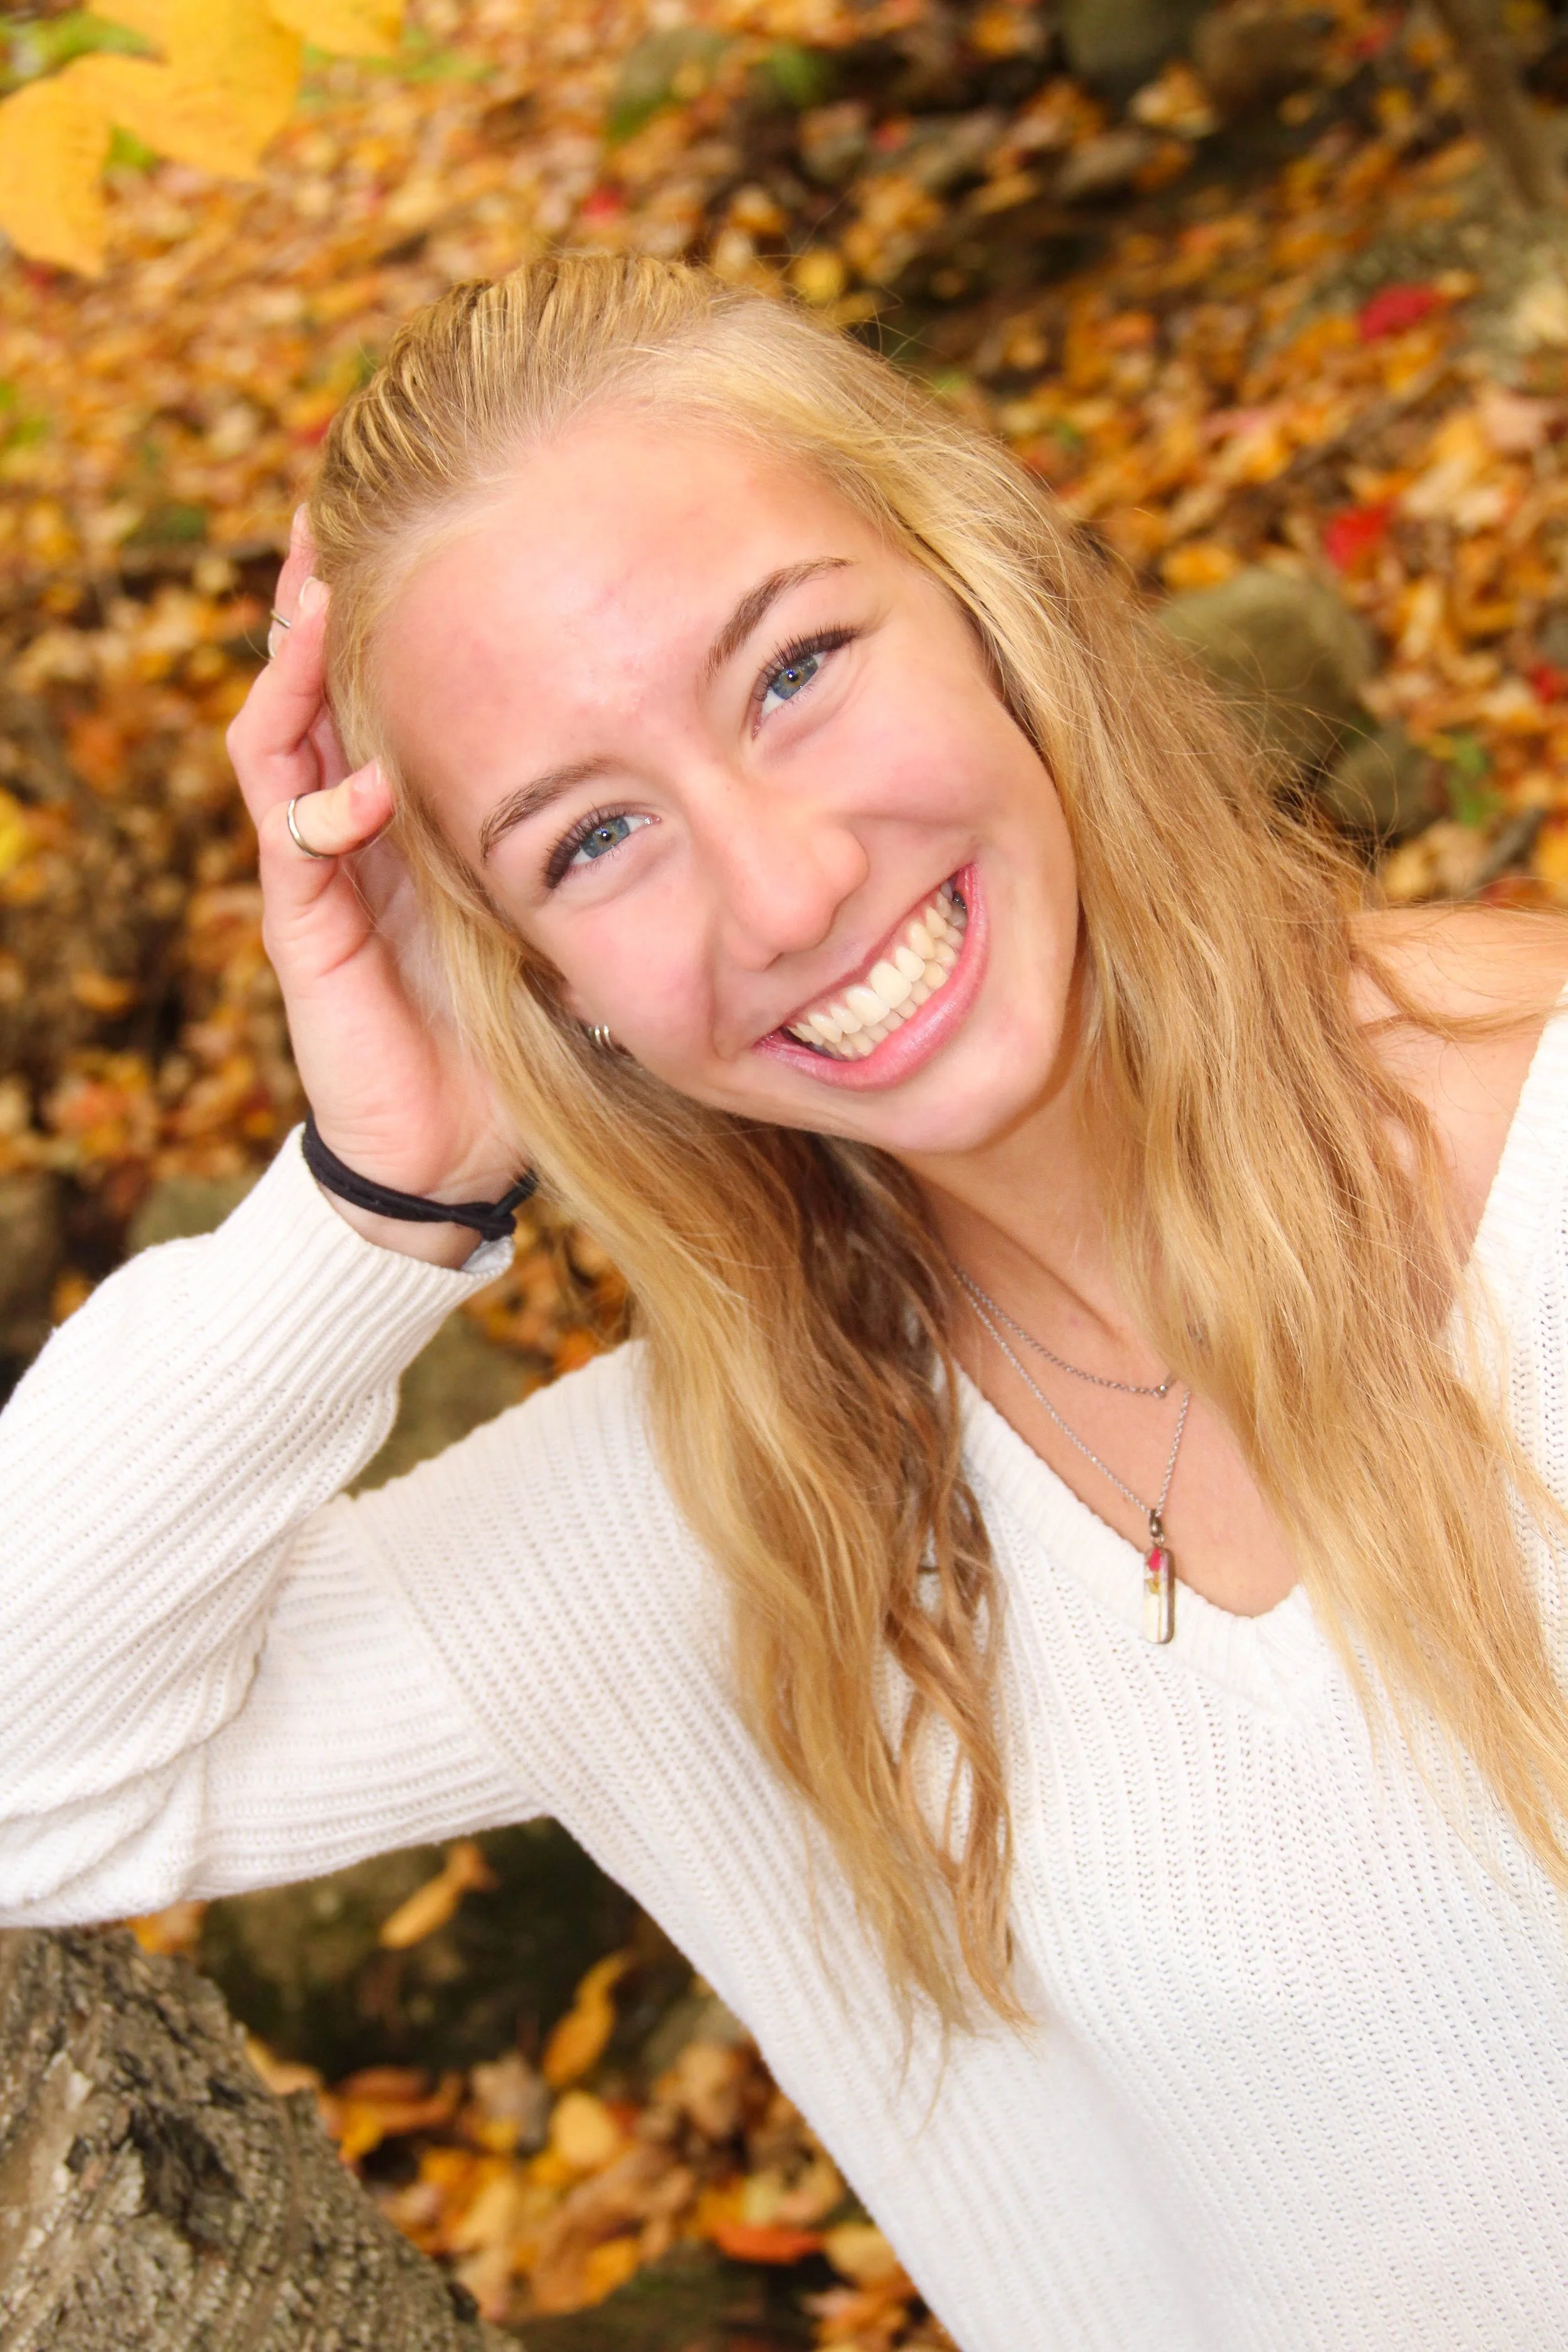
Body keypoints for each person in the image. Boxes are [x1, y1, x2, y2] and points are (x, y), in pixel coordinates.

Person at [5, 253, 1568, 2349]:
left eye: (793, 667)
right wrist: (380, 1186)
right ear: (547, 994)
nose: (784, 884)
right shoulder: (745, 1506)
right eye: (590, 843)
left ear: (982, 583)